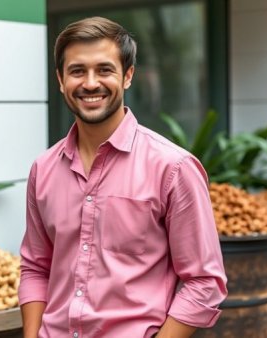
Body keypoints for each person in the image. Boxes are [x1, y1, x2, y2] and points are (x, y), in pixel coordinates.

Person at [18, 17, 227, 338]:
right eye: (77, 71)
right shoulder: (43, 169)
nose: (90, 83)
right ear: (60, 80)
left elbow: (204, 281)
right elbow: (35, 267)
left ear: (127, 76)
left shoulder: (172, 167)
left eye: (104, 70)